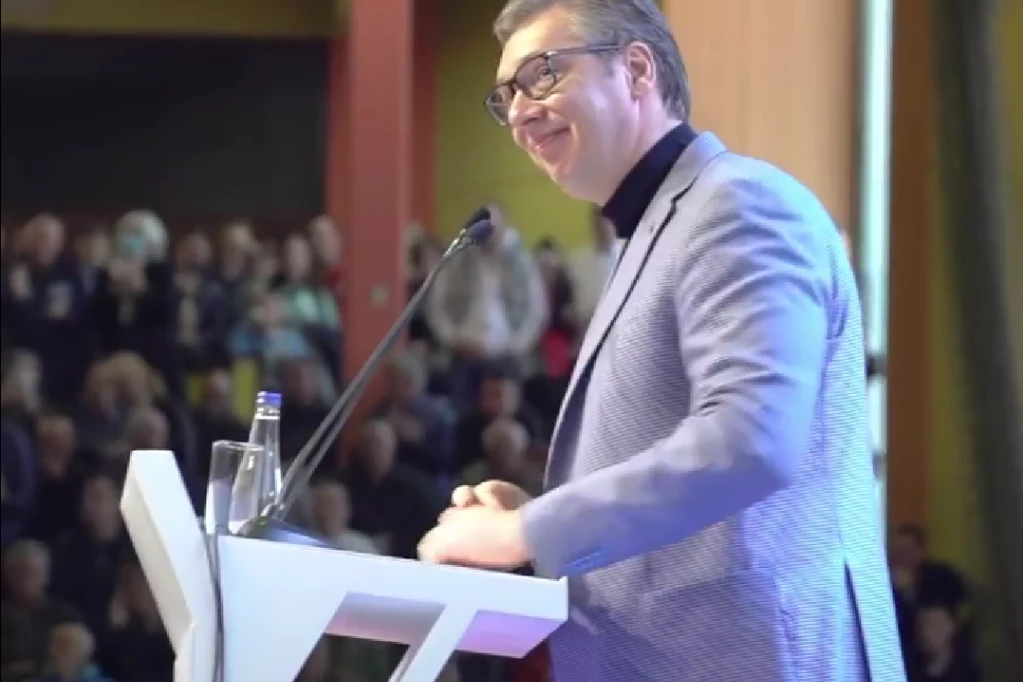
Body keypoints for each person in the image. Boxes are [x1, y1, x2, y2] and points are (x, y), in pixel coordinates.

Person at [417, 1, 905, 681]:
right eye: (506, 97)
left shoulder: (736, 204)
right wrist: (541, 520)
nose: (521, 112)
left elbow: (750, 440)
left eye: (542, 75)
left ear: (637, 69)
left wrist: (523, 532)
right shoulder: (657, 231)